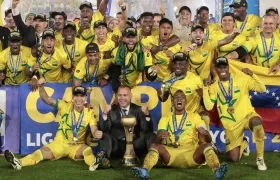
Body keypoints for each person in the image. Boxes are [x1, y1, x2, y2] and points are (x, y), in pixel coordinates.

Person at [131, 90, 228, 180]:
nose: (179, 99)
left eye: (182, 97)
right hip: (171, 154)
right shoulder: (165, 118)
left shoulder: (195, 116)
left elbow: (209, 140)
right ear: (172, 102)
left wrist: (206, 134)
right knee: (155, 146)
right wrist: (160, 137)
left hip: (191, 154)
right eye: (176, 97)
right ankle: (145, 170)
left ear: (185, 102)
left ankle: (217, 171)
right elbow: (158, 138)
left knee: (207, 146)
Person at [4, 83, 103, 171]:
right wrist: (41, 86)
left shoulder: (89, 112)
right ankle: (19, 162)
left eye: (81, 96)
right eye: (76, 96)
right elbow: (47, 99)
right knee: (40, 152)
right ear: (73, 97)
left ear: (85, 98)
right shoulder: (65, 105)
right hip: (60, 143)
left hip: (77, 146)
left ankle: (94, 164)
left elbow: (93, 128)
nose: (79, 99)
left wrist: (96, 133)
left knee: (87, 150)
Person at [202, 57, 267, 171]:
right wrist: (205, 87)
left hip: (247, 116)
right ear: (216, 69)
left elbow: (262, 88)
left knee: (257, 122)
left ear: (228, 67)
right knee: (234, 159)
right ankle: (244, 143)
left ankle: (260, 158)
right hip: (231, 125)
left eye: (224, 66)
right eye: (219, 67)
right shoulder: (214, 86)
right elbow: (208, 106)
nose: (222, 69)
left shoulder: (242, 79)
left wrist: (253, 75)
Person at [98, 85, 155, 160]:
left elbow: (146, 130)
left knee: (151, 135)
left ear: (130, 96)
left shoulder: (139, 110)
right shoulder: (111, 110)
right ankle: (103, 159)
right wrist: (105, 113)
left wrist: (147, 115)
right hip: (117, 147)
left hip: (135, 146)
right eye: (120, 95)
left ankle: (153, 158)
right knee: (105, 135)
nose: (122, 98)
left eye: (125, 95)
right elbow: (103, 129)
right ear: (116, 96)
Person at [109, 27, 158, 93]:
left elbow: (150, 77)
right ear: (123, 38)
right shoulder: (116, 52)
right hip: (122, 86)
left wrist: (153, 72)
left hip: (138, 86)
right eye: (128, 37)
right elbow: (115, 70)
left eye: (133, 37)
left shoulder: (145, 52)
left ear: (137, 38)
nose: (130, 40)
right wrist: (117, 89)